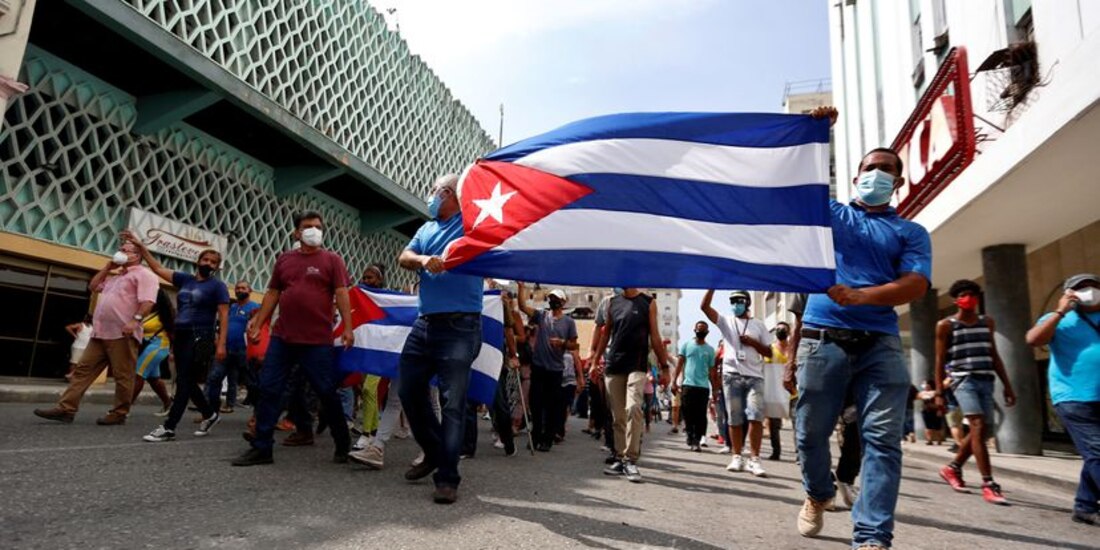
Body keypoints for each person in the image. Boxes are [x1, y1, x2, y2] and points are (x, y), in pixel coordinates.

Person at [786, 121, 933, 550]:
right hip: (822, 338)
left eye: (888, 169)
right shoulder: (831, 214)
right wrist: (817, 132)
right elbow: (796, 184)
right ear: (855, 176)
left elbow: (916, 285)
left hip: (880, 343)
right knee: (809, 432)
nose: (878, 175)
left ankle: (871, 537)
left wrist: (862, 295)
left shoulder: (910, 232)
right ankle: (818, 492)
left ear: (898, 181)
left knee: (882, 442)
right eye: (871, 167)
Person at [233, 210, 354, 466]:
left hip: (317, 341)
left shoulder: (332, 260)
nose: (314, 230)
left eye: (318, 226)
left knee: (326, 392)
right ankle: (262, 447)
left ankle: (343, 442)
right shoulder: (285, 259)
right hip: (283, 338)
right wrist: (260, 322)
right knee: (268, 389)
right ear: (296, 233)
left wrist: (347, 328)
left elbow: (342, 293)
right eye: (308, 226)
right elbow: (273, 292)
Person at [394, 174, 484, 504]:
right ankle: (434, 451)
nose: (430, 197)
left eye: (434, 191)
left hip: (461, 327)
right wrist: (421, 260)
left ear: (449, 194)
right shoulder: (426, 229)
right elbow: (404, 257)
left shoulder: (472, 224)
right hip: (425, 324)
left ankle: (448, 478)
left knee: (453, 404)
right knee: (408, 389)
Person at [35, 241, 158, 425]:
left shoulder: (145, 275)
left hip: (122, 334)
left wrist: (135, 321)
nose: (120, 252)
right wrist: (108, 266)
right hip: (100, 333)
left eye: (125, 250)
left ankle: (119, 413)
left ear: (137, 255)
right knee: (82, 371)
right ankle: (66, 409)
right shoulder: (116, 276)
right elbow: (93, 286)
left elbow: (148, 301)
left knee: (123, 376)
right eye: (120, 249)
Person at [128, 233, 230, 443]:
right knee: (186, 380)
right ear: (198, 261)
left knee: (184, 381)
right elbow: (157, 268)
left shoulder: (217, 286)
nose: (208, 264)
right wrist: (141, 246)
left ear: (217, 267)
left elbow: (224, 316)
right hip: (181, 334)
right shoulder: (185, 279)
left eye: (213, 262)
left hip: (201, 336)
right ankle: (210, 414)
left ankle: (169, 427)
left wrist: (221, 344)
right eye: (205, 260)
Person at [1026, 273, 1100, 526]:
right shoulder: (1056, 319)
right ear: (1069, 294)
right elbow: (1034, 340)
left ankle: (1085, 506)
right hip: (1074, 397)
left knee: (1094, 454)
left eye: (1093, 286)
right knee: (1098, 452)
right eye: (1080, 288)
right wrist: (1059, 312)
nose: (1089, 290)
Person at [934, 279, 1016, 505]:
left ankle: (953, 468)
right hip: (963, 380)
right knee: (977, 426)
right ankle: (988, 483)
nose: (968, 298)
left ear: (978, 298)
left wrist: (1007, 386)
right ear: (955, 300)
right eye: (963, 295)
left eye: (972, 294)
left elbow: (994, 354)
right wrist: (940, 391)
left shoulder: (986, 322)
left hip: (986, 379)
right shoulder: (946, 325)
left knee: (985, 430)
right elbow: (940, 360)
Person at [591, 287, 672, 483]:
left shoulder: (648, 303)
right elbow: (605, 334)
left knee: (634, 408)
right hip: (614, 365)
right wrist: (594, 361)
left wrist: (664, 367)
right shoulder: (612, 303)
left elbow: (655, 336)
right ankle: (620, 457)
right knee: (617, 416)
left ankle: (631, 459)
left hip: (637, 365)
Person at [701, 289, 773, 478]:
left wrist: (752, 343)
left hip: (755, 377)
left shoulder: (758, 325)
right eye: (732, 301)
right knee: (734, 418)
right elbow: (704, 307)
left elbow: (770, 352)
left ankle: (755, 459)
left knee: (755, 417)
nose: (735, 305)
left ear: (747, 303)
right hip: (731, 375)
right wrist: (712, 286)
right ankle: (737, 456)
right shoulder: (726, 321)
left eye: (739, 301)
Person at [517, 285, 579, 452]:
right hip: (539, 368)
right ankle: (535, 436)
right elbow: (523, 307)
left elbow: (575, 344)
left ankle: (547, 439)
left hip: (555, 370)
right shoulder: (542, 316)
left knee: (552, 406)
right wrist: (521, 288)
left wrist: (562, 343)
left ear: (563, 302)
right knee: (535, 404)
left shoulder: (569, 322)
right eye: (551, 298)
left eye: (556, 299)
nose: (553, 301)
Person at [205, 281, 258, 414]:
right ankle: (209, 411)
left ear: (250, 290)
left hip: (244, 351)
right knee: (214, 377)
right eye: (237, 288)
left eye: (243, 288)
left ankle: (260, 414)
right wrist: (218, 341)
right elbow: (221, 325)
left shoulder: (256, 308)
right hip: (226, 349)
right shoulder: (231, 307)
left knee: (250, 382)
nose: (240, 290)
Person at [671, 321, 717, 452]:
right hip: (688, 385)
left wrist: (715, 389)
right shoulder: (686, 345)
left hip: (703, 387)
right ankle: (690, 435)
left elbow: (712, 372)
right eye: (699, 328)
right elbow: (679, 365)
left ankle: (696, 439)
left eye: (703, 329)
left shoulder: (710, 350)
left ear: (707, 332)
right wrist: (674, 382)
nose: (700, 331)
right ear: (694, 330)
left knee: (701, 415)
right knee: (687, 412)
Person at [133, 289, 175, 415]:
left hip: (159, 345)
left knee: (138, 375)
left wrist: (174, 351)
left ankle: (123, 408)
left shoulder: (165, 314)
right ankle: (168, 404)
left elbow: (173, 334)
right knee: (154, 379)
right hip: (147, 345)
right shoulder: (148, 312)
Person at [765, 321, 793, 460]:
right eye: (778, 329)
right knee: (774, 426)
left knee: (798, 424)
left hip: (793, 392)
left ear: (789, 332)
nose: (781, 331)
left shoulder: (793, 350)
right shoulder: (770, 349)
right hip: (774, 392)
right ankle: (776, 451)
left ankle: (800, 455)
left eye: (783, 329)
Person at [64, 315, 93, 382]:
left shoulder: (92, 327)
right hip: (78, 346)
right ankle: (71, 377)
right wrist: (74, 335)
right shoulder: (80, 325)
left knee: (81, 363)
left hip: (86, 347)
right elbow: (68, 327)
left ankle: (72, 375)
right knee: (74, 362)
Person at [918, 381, 944, 445]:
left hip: (935, 410)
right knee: (928, 426)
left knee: (938, 426)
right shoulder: (922, 393)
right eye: (925, 385)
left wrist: (939, 410)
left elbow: (940, 402)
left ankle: (939, 440)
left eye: (927, 385)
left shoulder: (936, 392)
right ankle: (929, 440)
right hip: (926, 410)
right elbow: (918, 397)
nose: (926, 386)